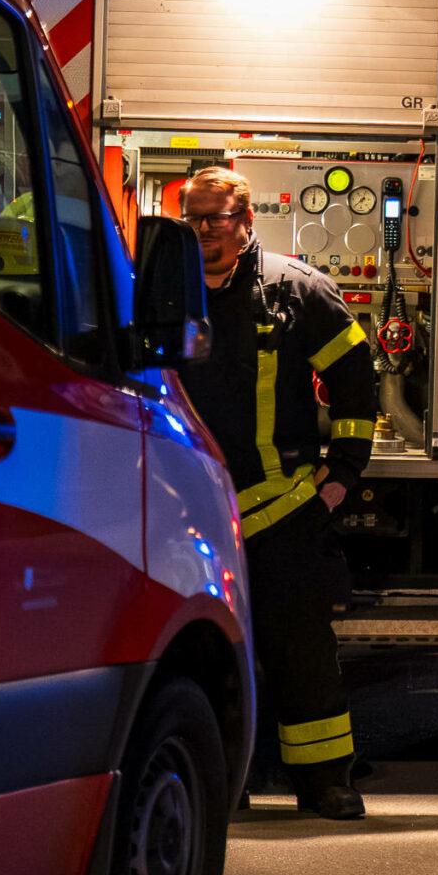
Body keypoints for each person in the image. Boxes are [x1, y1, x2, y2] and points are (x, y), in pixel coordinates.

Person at [178, 165, 378, 820]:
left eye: (218, 217)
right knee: (198, 656)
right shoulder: (160, 292)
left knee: (302, 652)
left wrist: (341, 475)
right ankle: (216, 785)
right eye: (194, 216)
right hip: (188, 514)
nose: (205, 229)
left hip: (282, 508)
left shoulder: (297, 290)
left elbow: (356, 379)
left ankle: (324, 781)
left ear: (247, 221)